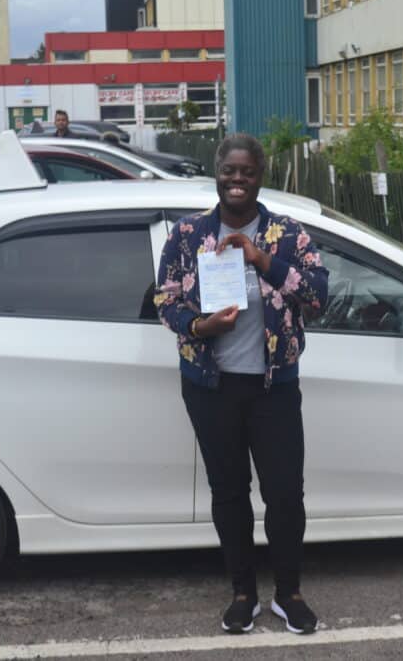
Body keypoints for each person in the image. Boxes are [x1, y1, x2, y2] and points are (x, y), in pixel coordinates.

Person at [154, 134, 329, 635]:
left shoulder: (287, 235)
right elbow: (165, 300)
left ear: (260, 176)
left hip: (274, 388)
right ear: (217, 173)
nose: (237, 180)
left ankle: (289, 593)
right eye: (229, 171)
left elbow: (318, 297)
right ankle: (242, 593)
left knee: (284, 494)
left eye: (246, 172)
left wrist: (260, 259)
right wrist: (199, 327)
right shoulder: (188, 235)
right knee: (229, 493)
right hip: (212, 387)